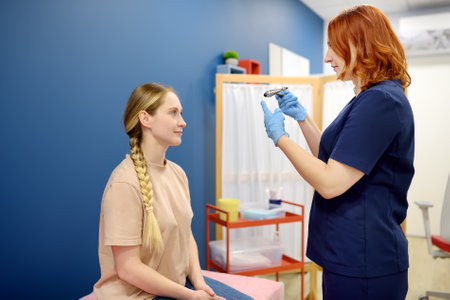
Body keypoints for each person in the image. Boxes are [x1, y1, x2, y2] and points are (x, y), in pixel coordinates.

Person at [260, 5, 414, 300]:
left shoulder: (379, 101)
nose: (327, 57)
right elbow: (337, 161)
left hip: (364, 259)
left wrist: (281, 138)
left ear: (361, 45)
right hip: (351, 254)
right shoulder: (369, 98)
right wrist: (302, 119)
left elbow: (330, 182)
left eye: (333, 47)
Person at [94, 82, 253, 300]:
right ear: (145, 118)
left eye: (181, 113)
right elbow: (127, 268)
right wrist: (190, 296)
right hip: (137, 295)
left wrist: (199, 283)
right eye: (173, 113)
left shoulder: (177, 173)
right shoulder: (124, 183)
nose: (183, 122)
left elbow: (185, 234)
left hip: (177, 284)